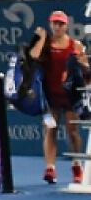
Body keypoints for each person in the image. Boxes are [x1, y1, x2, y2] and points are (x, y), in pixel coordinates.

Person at [25, 10, 89, 185]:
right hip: (49, 99)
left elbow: (86, 70)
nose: (58, 26)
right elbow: (33, 57)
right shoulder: (45, 44)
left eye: (61, 23)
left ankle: (76, 165)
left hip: (70, 98)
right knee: (50, 130)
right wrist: (39, 39)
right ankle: (50, 168)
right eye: (55, 23)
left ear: (66, 25)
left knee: (72, 132)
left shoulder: (75, 45)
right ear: (50, 24)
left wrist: (83, 65)